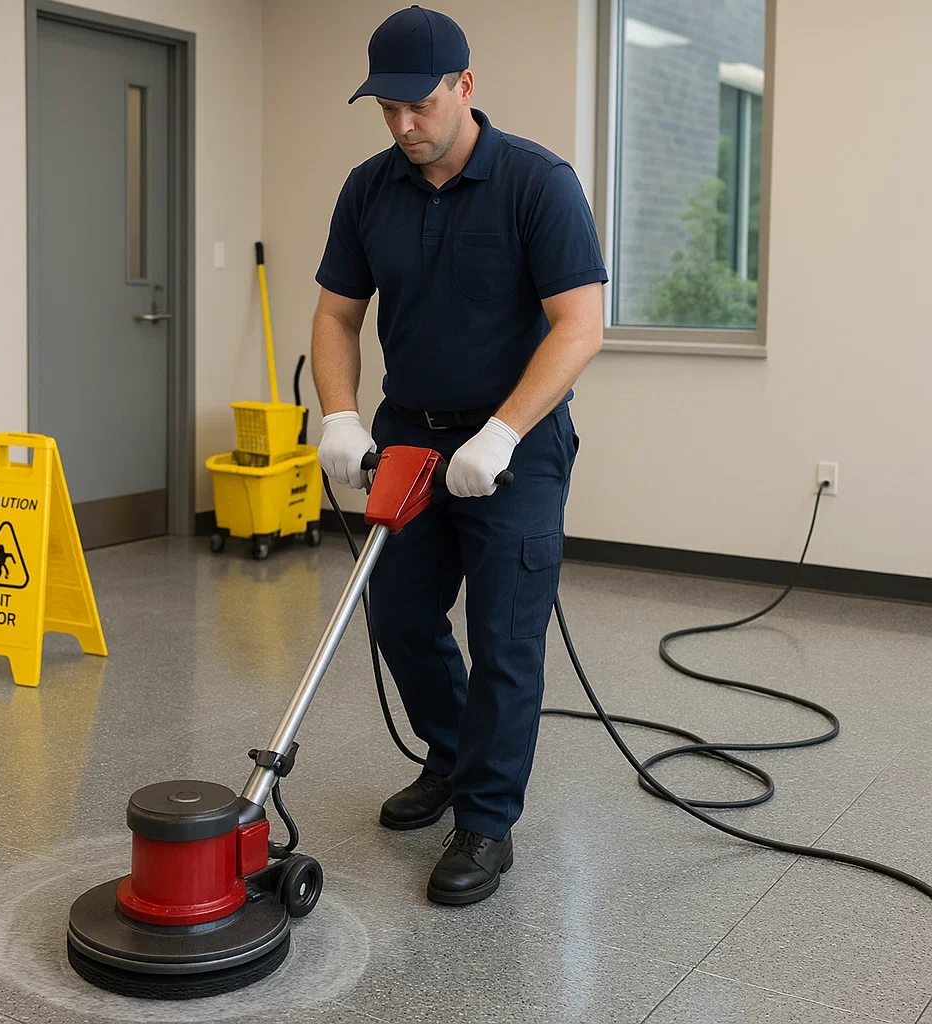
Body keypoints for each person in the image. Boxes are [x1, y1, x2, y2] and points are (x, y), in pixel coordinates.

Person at [312, 5, 607, 905]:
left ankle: (484, 820)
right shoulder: (369, 189)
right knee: (397, 613)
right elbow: (335, 313)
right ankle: (448, 755)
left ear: (464, 88)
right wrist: (340, 417)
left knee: (505, 635)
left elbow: (581, 323)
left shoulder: (535, 183)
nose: (404, 125)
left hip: (515, 438)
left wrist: (506, 430)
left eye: (420, 105)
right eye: (387, 108)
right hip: (409, 431)